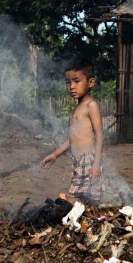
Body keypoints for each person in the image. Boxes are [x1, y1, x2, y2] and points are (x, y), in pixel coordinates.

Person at [40, 58, 105, 205]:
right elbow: (72, 139)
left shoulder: (91, 105)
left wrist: (96, 164)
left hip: (88, 160)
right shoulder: (77, 108)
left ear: (91, 83)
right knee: (91, 201)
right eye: (68, 82)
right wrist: (54, 155)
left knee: (71, 199)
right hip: (79, 161)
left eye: (77, 81)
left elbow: (100, 134)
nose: (72, 86)